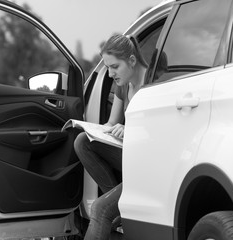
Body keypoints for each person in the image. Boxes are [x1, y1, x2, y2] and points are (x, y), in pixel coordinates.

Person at [74, 34, 148, 240]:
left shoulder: (152, 84)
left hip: (147, 164)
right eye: (107, 67)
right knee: (82, 142)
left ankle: (116, 207)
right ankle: (120, 207)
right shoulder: (123, 84)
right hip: (129, 156)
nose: (109, 74)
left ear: (132, 61)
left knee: (99, 208)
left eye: (114, 66)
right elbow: (112, 122)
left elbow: (158, 135)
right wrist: (91, 130)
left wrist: (130, 130)